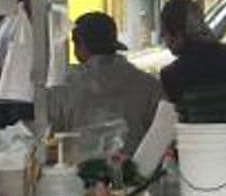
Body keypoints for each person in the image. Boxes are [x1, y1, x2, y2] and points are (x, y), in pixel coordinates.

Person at [48, 12, 162, 158]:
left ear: (80, 44)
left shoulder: (66, 89)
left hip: (81, 175)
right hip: (136, 174)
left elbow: (44, 128)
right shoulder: (148, 85)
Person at [158, 0, 226, 106]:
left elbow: (170, 117)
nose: (164, 39)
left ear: (176, 34)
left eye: (164, 32)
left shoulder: (171, 75)